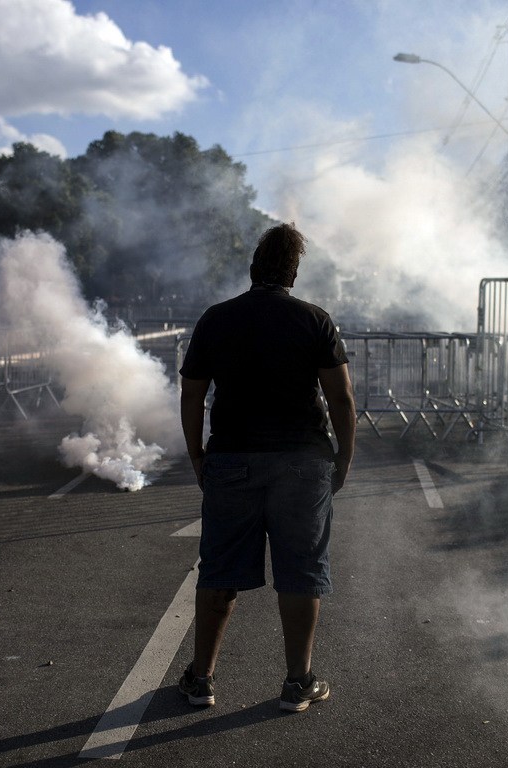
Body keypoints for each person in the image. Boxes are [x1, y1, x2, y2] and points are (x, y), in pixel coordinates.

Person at [176, 221, 357, 713]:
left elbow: (192, 394)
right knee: (300, 573)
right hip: (303, 462)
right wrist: (344, 457)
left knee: (219, 571)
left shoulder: (216, 319)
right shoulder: (314, 319)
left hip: (232, 459)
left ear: (253, 268)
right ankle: (298, 682)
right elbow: (340, 398)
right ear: (293, 273)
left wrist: (197, 455)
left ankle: (201, 680)